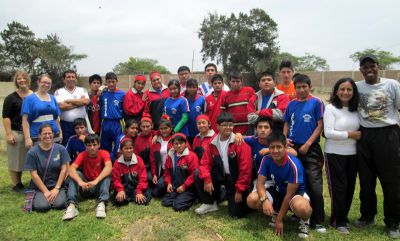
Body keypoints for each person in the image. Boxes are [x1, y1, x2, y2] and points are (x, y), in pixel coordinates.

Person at [356, 54, 400, 238]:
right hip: (365, 136)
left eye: (372, 66)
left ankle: (392, 222)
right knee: (366, 180)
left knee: (391, 181)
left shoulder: (392, 85)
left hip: (388, 134)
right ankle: (367, 216)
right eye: (365, 67)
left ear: (378, 66)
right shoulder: (357, 86)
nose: (369, 70)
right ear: (361, 70)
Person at [283, 74, 326, 232]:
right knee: (298, 182)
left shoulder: (317, 102)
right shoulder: (291, 104)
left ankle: (318, 220)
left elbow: (320, 125)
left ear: (309, 87)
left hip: (311, 148)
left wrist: (308, 144)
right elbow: (287, 122)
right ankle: (298, 212)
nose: (301, 90)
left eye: (304, 87)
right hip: (293, 147)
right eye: (298, 87)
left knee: (314, 184)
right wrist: (285, 139)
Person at [195, 112, 252, 217]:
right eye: (225, 125)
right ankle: (210, 203)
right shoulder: (212, 142)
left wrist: (239, 191)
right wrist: (207, 179)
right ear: (217, 126)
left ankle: (232, 194)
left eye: (230, 125)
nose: (228, 127)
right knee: (198, 173)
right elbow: (204, 163)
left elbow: (246, 170)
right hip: (220, 174)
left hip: (234, 179)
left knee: (236, 214)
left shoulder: (239, 143)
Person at [257, 132, 312, 238]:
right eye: (272, 147)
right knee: (253, 200)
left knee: (302, 208)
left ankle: (305, 220)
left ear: (285, 147)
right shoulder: (266, 159)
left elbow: (289, 195)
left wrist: (279, 221)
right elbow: (260, 183)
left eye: (279, 147)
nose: (275, 150)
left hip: (295, 195)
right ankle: (276, 210)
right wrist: (265, 200)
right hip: (279, 191)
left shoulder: (293, 165)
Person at [323, 77, 360, 234]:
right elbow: (328, 133)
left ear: (353, 92)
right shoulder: (331, 108)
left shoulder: (356, 109)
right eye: (342, 89)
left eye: (349, 89)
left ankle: (343, 216)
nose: (345, 92)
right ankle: (337, 220)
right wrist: (351, 134)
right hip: (334, 153)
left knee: (350, 187)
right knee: (339, 187)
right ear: (336, 91)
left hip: (353, 154)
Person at [63, 134, 112, 220]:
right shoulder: (82, 155)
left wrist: (96, 181)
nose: (92, 148)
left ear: (99, 145)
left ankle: (101, 204)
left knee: (107, 174)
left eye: (94, 145)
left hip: (99, 187)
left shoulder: (104, 153)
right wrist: (80, 182)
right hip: (85, 187)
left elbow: (109, 167)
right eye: (89, 145)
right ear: (85, 146)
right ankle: (71, 206)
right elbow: (72, 168)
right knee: (76, 173)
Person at [24, 124, 70, 212]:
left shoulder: (61, 149)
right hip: (39, 187)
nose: (48, 136)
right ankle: (35, 197)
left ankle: (57, 196)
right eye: (44, 134)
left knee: (59, 204)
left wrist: (56, 188)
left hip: (56, 185)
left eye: (50, 133)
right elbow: (34, 175)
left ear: (53, 134)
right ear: (39, 136)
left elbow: (64, 169)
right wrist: (45, 191)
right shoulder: (32, 153)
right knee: (43, 206)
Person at [2, 70, 32, 192]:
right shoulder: (11, 98)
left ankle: (35, 181)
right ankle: (17, 184)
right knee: (16, 158)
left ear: (28, 80)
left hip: (32, 132)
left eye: (24, 78)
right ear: (16, 81)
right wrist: (9, 134)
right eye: (19, 79)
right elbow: (6, 116)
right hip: (17, 131)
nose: (22, 80)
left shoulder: (34, 96)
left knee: (32, 158)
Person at [21, 74, 62, 149]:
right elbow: (25, 120)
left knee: (53, 159)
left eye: (49, 83)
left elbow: (56, 117)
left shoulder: (53, 98)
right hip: (37, 135)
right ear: (38, 82)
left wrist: (60, 132)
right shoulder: (29, 99)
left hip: (53, 134)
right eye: (44, 82)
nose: (46, 85)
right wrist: (27, 138)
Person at [161, 133, 199, 211]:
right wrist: (168, 183)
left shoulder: (191, 156)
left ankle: (194, 198)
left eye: (181, 143)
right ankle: (179, 198)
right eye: (176, 143)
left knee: (177, 207)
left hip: (188, 188)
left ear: (186, 143)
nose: (179, 146)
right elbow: (167, 172)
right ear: (173, 145)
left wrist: (184, 186)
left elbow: (193, 175)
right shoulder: (170, 155)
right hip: (176, 187)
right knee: (165, 202)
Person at [112, 138, 152, 206]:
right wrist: (120, 190)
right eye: (126, 148)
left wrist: (139, 192)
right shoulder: (117, 163)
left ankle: (135, 196)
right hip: (124, 188)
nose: (129, 150)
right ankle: (127, 197)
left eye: (130, 148)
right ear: (121, 150)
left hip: (136, 187)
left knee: (144, 200)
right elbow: (116, 180)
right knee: (119, 201)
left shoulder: (139, 160)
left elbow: (143, 179)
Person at [55, 70, 90, 146]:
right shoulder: (59, 91)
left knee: (83, 145)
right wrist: (79, 103)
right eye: (68, 77)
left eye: (73, 77)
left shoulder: (82, 90)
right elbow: (61, 106)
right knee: (67, 146)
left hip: (81, 125)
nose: (71, 79)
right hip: (66, 125)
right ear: (64, 79)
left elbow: (86, 102)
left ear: (76, 79)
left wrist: (68, 101)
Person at [220, 70, 255, 135]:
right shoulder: (225, 96)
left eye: (238, 81)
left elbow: (256, 107)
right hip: (233, 131)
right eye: (233, 81)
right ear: (229, 81)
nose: (235, 83)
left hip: (249, 130)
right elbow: (223, 115)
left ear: (241, 81)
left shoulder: (249, 91)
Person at [99, 72, 125, 153]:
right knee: (104, 146)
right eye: (109, 82)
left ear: (116, 81)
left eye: (113, 82)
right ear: (106, 82)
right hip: (105, 122)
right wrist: (101, 88)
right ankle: (107, 164)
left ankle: (116, 164)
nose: (111, 84)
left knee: (118, 146)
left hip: (118, 123)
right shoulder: (102, 93)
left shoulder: (122, 94)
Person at [150, 115, 174, 198]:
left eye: (166, 128)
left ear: (170, 128)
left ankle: (172, 186)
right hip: (162, 171)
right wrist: (154, 174)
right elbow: (152, 159)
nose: (163, 131)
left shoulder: (176, 139)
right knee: (155, 193)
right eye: (161, 128)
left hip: (173, 171)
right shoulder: (157, 140)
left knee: (159, 187)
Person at [133, 114, 155, 183]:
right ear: (140, 127)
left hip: (154, 166)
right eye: (143, 127)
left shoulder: (155, 135)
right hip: (143, 166)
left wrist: (157, 135)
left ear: (152, 126)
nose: (145, 129)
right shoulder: (137, 139)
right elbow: (136, 157)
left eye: (147, 126)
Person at [184, 78, 205, 145]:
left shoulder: (202, 99)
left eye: (194, 87)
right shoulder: (183, 100)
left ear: (197, 88)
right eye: (189, 87)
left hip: (198, 131)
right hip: (186, 131)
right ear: (186, 88)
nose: (191, 89)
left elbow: (205, 114)